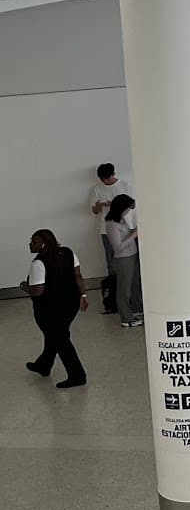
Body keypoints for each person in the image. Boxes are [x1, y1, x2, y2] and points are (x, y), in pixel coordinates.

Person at [22, 229, 88, 388]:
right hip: (71, 304)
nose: (30, 244)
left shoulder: (38, 262)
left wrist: (24, 287)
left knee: (59, 338)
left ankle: (77, 375)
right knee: (56, 334)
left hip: (49, 308)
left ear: (43, 244)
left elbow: (38, 291)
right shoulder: (68, 252)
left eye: (34, 242)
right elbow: (77, 275)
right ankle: (43, 365)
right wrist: (83, 295)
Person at [103, 194, 144, 327]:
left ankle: (137, 310)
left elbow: (126, 235)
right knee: (124, 290)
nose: (128, 212)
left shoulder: (121, 220)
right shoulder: (111, 224)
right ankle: (126, 318)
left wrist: (133, 231)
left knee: (135, 285)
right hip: (123, 259)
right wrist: (134, 234)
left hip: (132, 255)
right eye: (127, 208)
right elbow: (118, 247)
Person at [88, 162, 131, 288]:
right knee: (111, 259)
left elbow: (132, 206)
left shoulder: (125, 185)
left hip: (125, 228)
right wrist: (99, 205)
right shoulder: (97, 189)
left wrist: (115, 203)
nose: (105, 181)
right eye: (103, 179)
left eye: (107, 178)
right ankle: (113, 286)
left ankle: (129, 284)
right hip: (106, 230)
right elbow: (94, 211)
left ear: (113, 174)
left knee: (128, 258)